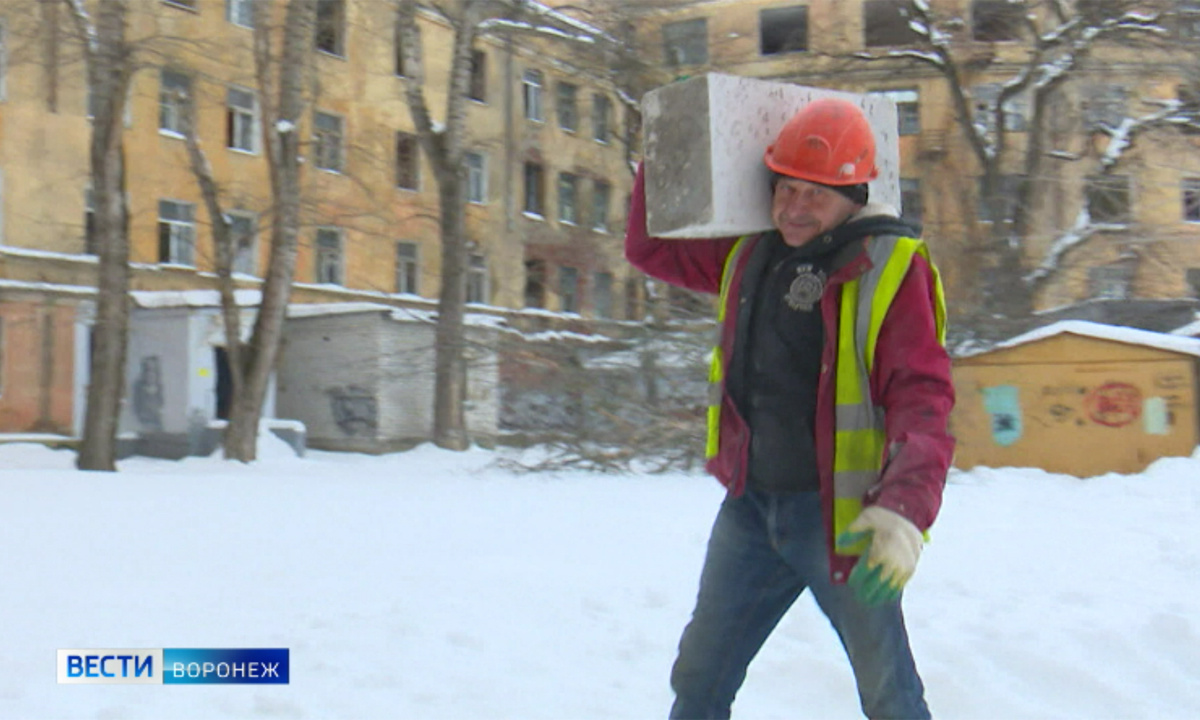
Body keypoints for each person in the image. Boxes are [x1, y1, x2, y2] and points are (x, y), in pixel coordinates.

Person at [625, 97, 956, 719]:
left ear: (854, 195)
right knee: (699, 678)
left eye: (816, 195)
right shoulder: (751, 252)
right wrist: (663, 153)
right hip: (751, 510)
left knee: (889, 694)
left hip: (840, 521)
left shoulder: (890, 265)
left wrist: (906, 510)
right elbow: (651, 250)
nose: (794, 208)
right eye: (785, 188)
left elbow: (923, 395)